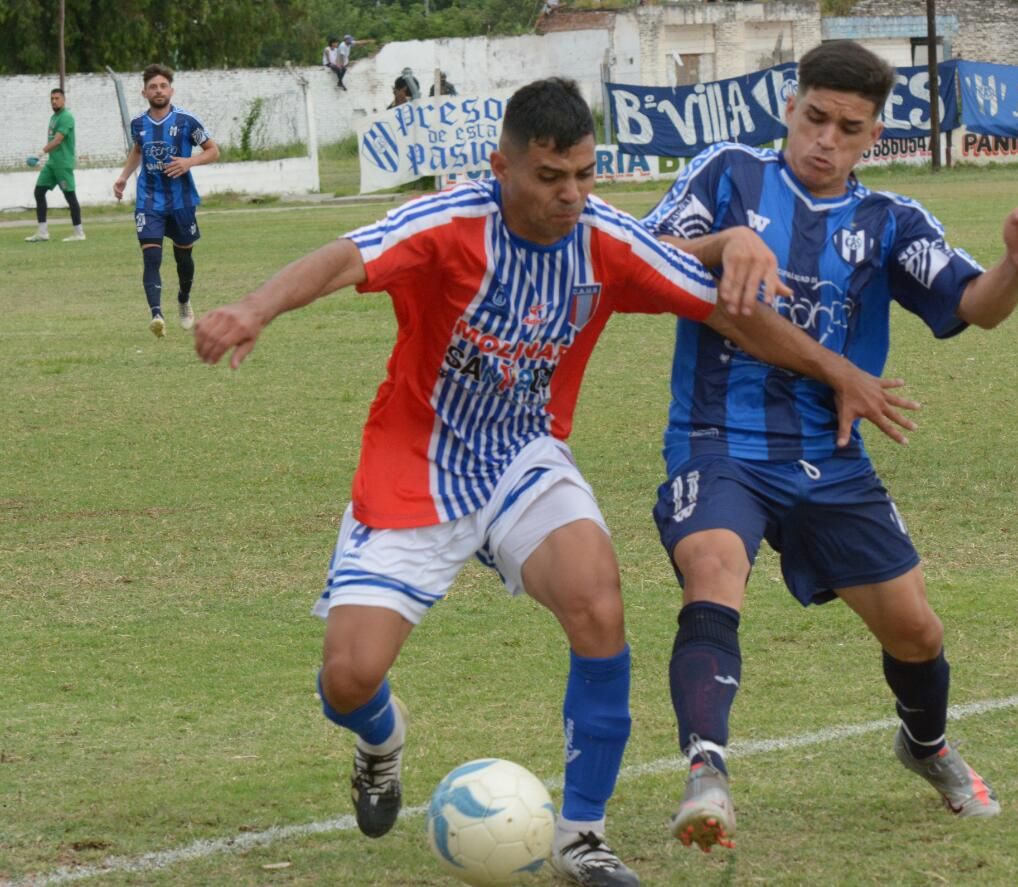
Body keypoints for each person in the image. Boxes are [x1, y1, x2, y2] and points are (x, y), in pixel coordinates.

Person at [194, 77, 911, 887]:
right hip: (415, 461)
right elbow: (343, 258)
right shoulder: (450, 224)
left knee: (597, 599)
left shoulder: (602, 237)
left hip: (523, 458)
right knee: (347, 675)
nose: (571, 195)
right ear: (501, 166)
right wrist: (254, 308)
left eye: (584, 175)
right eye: (549, 177)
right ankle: (381, 742)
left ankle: (582, 834)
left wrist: (833, 363)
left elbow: (723, 307)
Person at [642, 39, 1018, 852]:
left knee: (917, 633)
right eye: (815, 117)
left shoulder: (889, 221)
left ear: (873, 136)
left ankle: (926, 745)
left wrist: (1013, 266)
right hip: (718, 436)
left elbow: (973, 303)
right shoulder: (729, 174)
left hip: (830, 459)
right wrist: (725, 245)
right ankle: (707, 773)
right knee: (714, 565)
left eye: (849, 127)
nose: (825, 139)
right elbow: (646, 258)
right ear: (790, 108)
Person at [113, 64, 220, 338]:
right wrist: (124, 176)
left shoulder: (187, 121)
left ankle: (183, 298)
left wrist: (189, 162)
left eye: (162, 86)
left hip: (181, 201)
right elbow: (137, 150)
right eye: (153, 87)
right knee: (151, 257)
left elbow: (213, 150)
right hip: (148, 201)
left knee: (183, 256)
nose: (158, 91)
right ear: (144, 92)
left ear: (170, 90)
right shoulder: (138, 124)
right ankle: (156, 315)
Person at [25, 87, 85, 243]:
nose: (54, 101)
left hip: (63, 164)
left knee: (70, 196)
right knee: (39, 192)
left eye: (57, 98)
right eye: (52, 98)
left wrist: (38, 154)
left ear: (64, 100)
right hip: (52, 163)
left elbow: (58, 140)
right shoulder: (53, 117)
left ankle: (79, 233)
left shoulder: (66, 117)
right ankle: (42, 232)